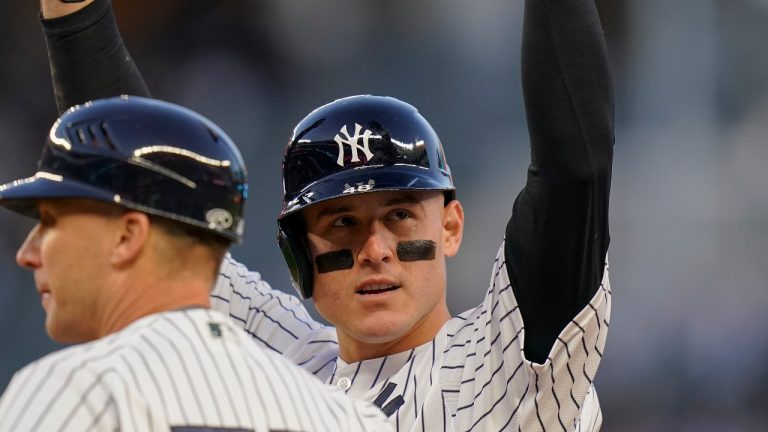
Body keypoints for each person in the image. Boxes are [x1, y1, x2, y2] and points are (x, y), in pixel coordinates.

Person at [37, 0, 614, 429]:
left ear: (450, 226)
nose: (376, 249)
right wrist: (73, 13)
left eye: (401, 215)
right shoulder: (288, 360)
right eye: (343, 222)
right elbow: (144, 186)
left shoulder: (508, 361)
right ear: (297, 254)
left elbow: (575, 171)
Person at [0, 96, 392, 431]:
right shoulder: (346, 418)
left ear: (127, 236)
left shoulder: (77, 389)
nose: (27, 252)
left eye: (49, 222)